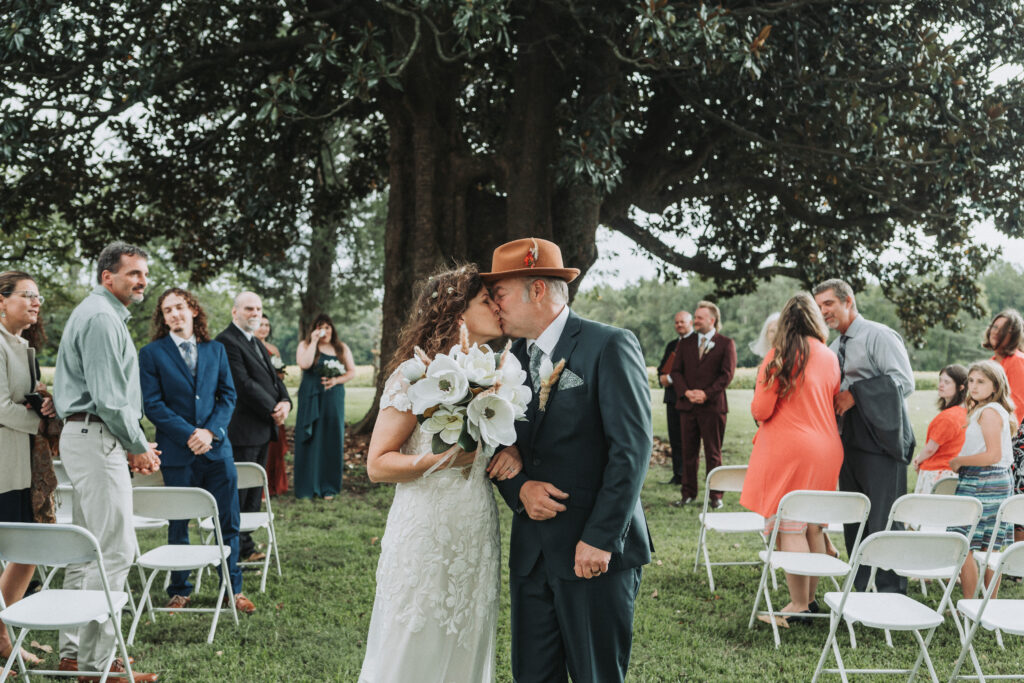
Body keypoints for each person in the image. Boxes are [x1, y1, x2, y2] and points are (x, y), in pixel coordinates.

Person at [486, 238, 653, 683]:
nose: (493, 305)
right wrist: (518, 487)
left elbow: (631, 450)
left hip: (592, 552)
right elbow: (498, 444)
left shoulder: (609, 345)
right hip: (532, 555)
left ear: (537, 290)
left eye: (499, 294)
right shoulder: (511, 358)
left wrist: (600, 538)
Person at [358, 264, 523, 682]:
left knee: (467, 637)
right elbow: (377, 464)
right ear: (457, 312)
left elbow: (498, 436)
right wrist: (439, 461)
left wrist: (514, 449)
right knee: (416, 640)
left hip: (475, 528)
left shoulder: (494, 376)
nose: (499, 307)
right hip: (426, 531)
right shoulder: (414, 376)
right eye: (487, 300)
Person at [52, 242, 161, 682]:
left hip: (89, 435)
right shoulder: (100, 318)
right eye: (133, 273)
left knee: (89, 550)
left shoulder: (104, 314)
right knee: (115, 550)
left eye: (143, 274)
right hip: (98, 435)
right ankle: (97, 668)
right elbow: (110, 399)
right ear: (107, 276)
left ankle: (73, 655)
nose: (141, 281)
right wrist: (138, 445)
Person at [138, 288, 254, 615]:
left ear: (192, 311)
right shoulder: (151, 354)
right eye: (167, 310)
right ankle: (179, 589)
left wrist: (210, 432)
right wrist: (190, 433)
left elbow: (228, 397)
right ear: (163, 318)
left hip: (217, 451)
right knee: (179, 523)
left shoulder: (216, 350)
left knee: (228, 522)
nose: (174, 314)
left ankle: (233, 588)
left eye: (179, 307)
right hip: (177, 452)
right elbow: (153, 406)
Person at [740, 293, 843, 625]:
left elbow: (761, 409)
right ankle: (809, 601)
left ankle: (798, 606)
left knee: (790, 527)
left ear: (784, 321)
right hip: (827, 447)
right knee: (812, 524)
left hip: (790, 449)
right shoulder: (829, 355)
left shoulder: (778, 355)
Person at [813, 278, 915, 594]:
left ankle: (890, 590)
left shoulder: (878, 336)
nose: (823, 311)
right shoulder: (830, 348)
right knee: (854, 516)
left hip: (882, 441)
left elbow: (904, 382)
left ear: (848, 301)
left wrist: (855, 395)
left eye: (828, 303)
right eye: (818, 307)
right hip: (846, 442)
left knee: (884, 517)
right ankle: (862, 587)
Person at [0, 271, 56, 668]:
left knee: (31, 547)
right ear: (1, 300)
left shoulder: (22, 346)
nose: (36, 302)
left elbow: (21, 401)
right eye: (27, 295)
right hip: (4, 467)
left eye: (38, 296)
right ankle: (3, 639)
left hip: (26, 466)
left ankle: (2, 635)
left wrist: (45, 403)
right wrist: (45, 424)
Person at [215, 292, 291, 563]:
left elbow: (273, 379)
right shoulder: (226, 341)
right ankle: (232, 549)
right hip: (241, 431)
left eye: (258, 308)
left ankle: (245, 548)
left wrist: (285, 401)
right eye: (249, 308)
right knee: (239, 491)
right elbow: (243, 384)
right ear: (235, 312)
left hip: (261, 429)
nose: (255, 313)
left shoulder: (256, 342)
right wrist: (273, 408)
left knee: (253, 492)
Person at [949, 360, 1016, 599]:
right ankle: (988, 605)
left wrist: (960, 461)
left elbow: (993, 455)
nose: (973, 387)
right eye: (971, 381)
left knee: (964, 543)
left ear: (995, 386)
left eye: (981, 382)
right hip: (995, 479)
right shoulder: (991, 410)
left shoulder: (989, 412)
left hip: (984, 480)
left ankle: (971, 603)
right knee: (989, 545)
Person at [669, 300, 737, 507]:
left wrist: (706, 394)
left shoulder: (726, 343)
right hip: (688, 407)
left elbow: (727, 375)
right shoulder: (685, 343)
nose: (695, 321)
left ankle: (715, 497)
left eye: (699, 317)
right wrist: (686, 392)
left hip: (713, 407)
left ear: (712, 320)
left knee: (713, 453)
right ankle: (688, 494)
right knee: (688, 453)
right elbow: (676, 371)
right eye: (695, 317)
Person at [293, 314, 356, 500]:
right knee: (308, 439)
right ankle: (307, 487)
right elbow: (304, 364)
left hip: (332, 397)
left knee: (331, 437)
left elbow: (352, 371)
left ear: (332, 329)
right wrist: (313, 342)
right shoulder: (304, 346)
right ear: (314, 330)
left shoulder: (340, 347)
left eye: (328, 327)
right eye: (321, 327)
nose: (325, 331)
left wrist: (336, 380)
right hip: (310, 396)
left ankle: (329, 487)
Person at [984, 309, 1024, 545]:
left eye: (1003, 329)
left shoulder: (1018, 362)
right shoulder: (989, 363)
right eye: (994, 326)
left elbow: (1016, 407)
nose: (996, 332)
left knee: (1017, 498)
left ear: (1014, 334)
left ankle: (1018, 563)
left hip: (1015, 438)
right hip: (992, 436)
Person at [912, 364, 968, 494]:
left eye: (947, 382)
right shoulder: (965, 413)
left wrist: (918, 460)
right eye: (940, 380)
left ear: (960, 387)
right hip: (952, 473)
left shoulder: (948, 417)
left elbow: (931, 447)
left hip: (936, 473)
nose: (941, 385)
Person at [255, 314, 289, 496]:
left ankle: (275, 485)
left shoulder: (273, 349)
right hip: (258, 398)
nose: (264, 328)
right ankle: (259, 489)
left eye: (267, 325)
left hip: (275, 398)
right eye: (261, 324)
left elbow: (280, 377)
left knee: (275, 444)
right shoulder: (250, 347)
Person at [658, 310, 692, 485]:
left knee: (688, 440)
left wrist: (671, 378)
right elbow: (661, 369)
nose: (679, 325)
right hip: (672, 399)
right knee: (675, 439)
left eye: (683, 322)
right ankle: (677, 474)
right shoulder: (672, 345)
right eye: (677, 322)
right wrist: (662, 378)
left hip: (689, 400)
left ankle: (688, 476)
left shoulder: (696, 344)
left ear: (691, 323)